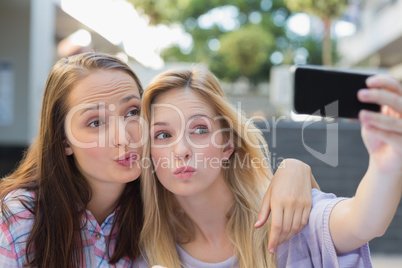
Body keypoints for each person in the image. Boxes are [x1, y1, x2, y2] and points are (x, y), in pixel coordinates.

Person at [0, 52, 318, 267]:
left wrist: (294, 168)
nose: (124, 136)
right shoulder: (21, 217)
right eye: (95, 123)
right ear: (64, 140)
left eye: (133, 112)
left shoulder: (158, 204)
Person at [138, 67, 402, 267]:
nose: (182, 150)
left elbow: (363, 222)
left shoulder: (285, 217)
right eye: (163, 135)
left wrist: (387, 165)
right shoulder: (141, 250)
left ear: (227, 144)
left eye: (199, 129)